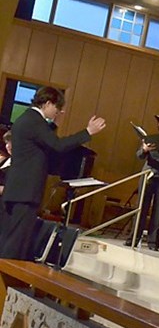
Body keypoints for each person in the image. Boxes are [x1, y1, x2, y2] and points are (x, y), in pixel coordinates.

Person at [0, 87, 105, 260]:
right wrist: (88, 132)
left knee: (14, 239)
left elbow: (41, 143)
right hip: (25, 190)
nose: (59, 111)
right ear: (48, 103)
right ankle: (6, 280)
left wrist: (54, 124)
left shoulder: (28, 119)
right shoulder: (34, 121)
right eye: (57, 107)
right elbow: (58, 145)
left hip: (19, 189)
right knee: (16, 242)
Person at [132, 113, 159, 250]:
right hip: (148, 174)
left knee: (158, 209)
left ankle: (152, 242)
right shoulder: (151, 139)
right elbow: (139, 155)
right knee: (141, 208)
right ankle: (133, 238)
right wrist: (145, 149)